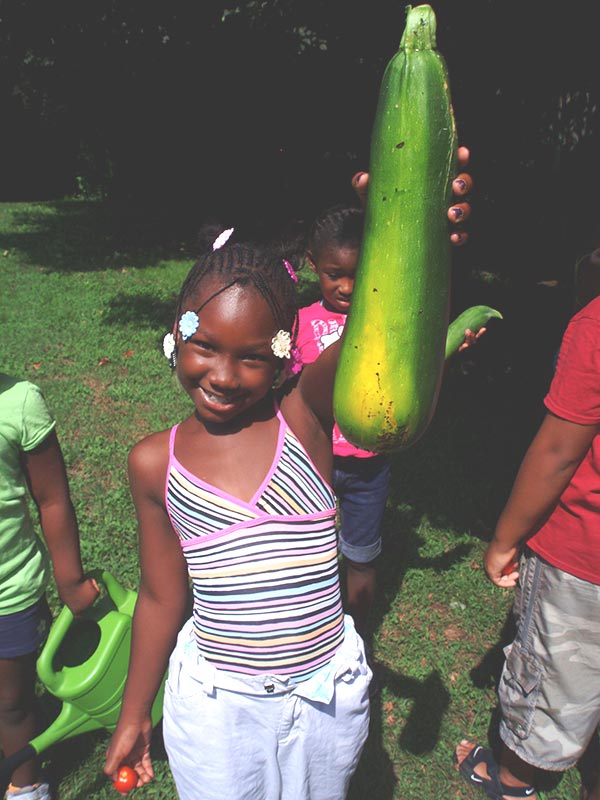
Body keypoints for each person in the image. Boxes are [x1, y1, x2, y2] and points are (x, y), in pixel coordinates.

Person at [102, 168, 470, 799]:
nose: (223, 375)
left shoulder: (303, 417)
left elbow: (379, 329)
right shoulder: (153, 464)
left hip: (322, 702)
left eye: (251, 357)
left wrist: (412, 237)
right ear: (176, 333)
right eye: (206, 346)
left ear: (285, 355)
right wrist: (135, 712)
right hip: (217, 710)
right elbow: (162, 599)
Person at [296, 200, 481, 686]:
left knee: (361, 555)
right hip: (311, 460)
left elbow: (407, 378)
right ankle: (303, 628)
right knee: (306, 551)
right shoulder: (300, 323)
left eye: (360, 274)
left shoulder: (386, 321)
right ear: (312, 266)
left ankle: (356, 633)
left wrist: (444, 351)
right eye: (335, 274)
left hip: (367, 468)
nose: (348, 287)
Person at [454, 294, 600, 800]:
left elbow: (559, 450)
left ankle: (513, 781)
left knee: (553, 683)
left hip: (584, 554)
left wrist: (504, 539)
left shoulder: (597, 324)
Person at [0, 373, 99, 800]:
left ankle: (24, 785)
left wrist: (71, 580)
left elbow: (53, 499)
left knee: (12, 703)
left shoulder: (19, 403)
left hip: (10, 593)